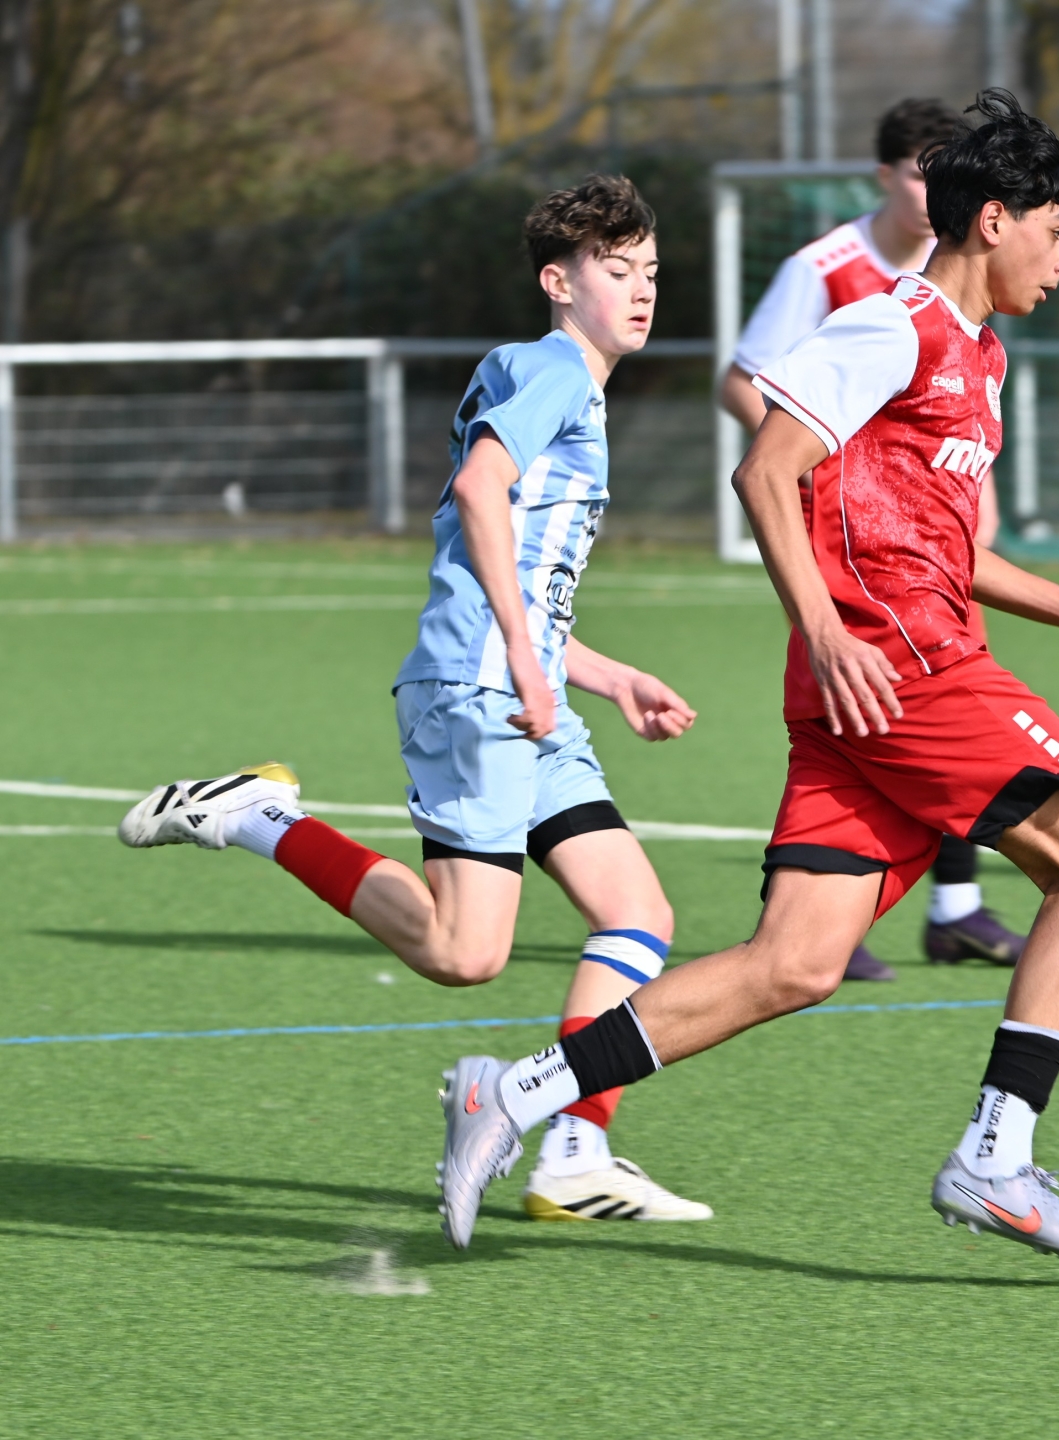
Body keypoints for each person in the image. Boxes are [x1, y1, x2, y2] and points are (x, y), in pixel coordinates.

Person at [435, 90, 1059, 1260]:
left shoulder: (980, 356)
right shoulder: (892, 326)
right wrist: (827, 628)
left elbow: (946, 547)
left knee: (793, 965)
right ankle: (995, 1158)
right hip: (908, 670)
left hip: (869, 685)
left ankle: (517, 1092)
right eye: (1058, 231)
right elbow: (765, 470)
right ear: (994, 220)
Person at [116, 175, 714, 1226]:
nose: (641, 289)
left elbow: (514, 573)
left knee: (636, 914)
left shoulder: (564, 383)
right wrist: (527, 661)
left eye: (650, 271)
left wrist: (602, 673)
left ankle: (574, 1152)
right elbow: (481, 493)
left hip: (518, 691)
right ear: (557, 282)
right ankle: (258, 818)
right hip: (482, 695)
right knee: (463, 953)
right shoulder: (552, 370)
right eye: (615, 270)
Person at [719, 96, 1028, 983]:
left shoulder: (972, 295)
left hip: (933, 546)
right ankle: (828, 906)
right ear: (886, 175)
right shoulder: (827, 270)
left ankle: (950, 907)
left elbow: (946, 417)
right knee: (863, 702)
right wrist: (825, 468)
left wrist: (964, 499)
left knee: (950, 692)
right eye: (922, 171)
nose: (936, 189)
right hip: (851, 542)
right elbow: (745, 384)